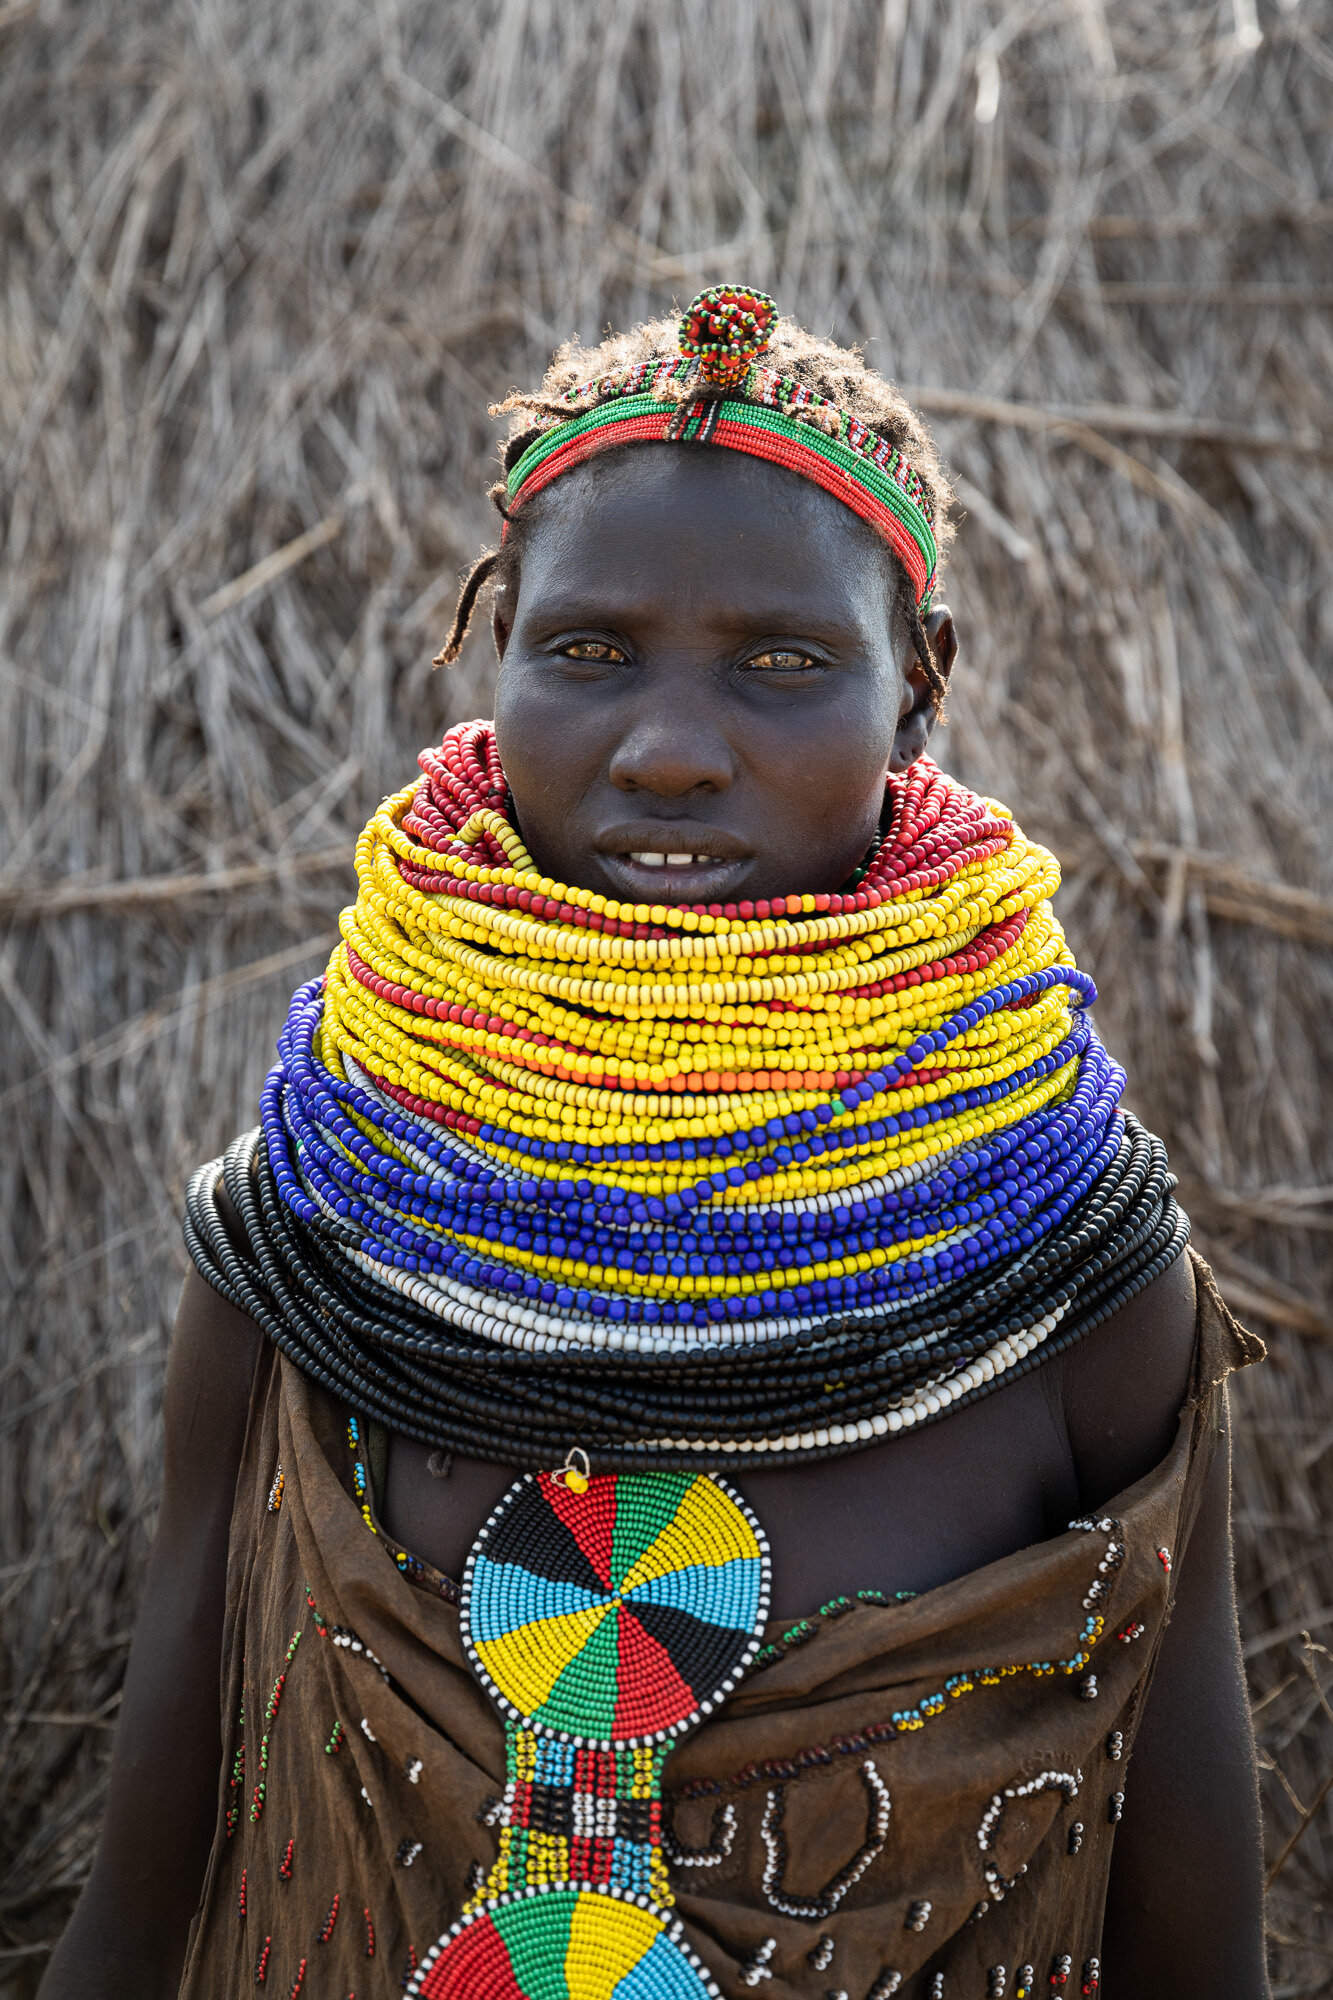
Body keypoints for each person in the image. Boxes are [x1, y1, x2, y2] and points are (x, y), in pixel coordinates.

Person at [40, 288, 1270, 2000]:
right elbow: (136, 1907)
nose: (673, 750)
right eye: (588, 652)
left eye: (782, 663)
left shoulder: (1077, 1281)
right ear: (491, 653)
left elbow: (1192, 1930)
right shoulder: (311, 1239)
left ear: (920, 691)